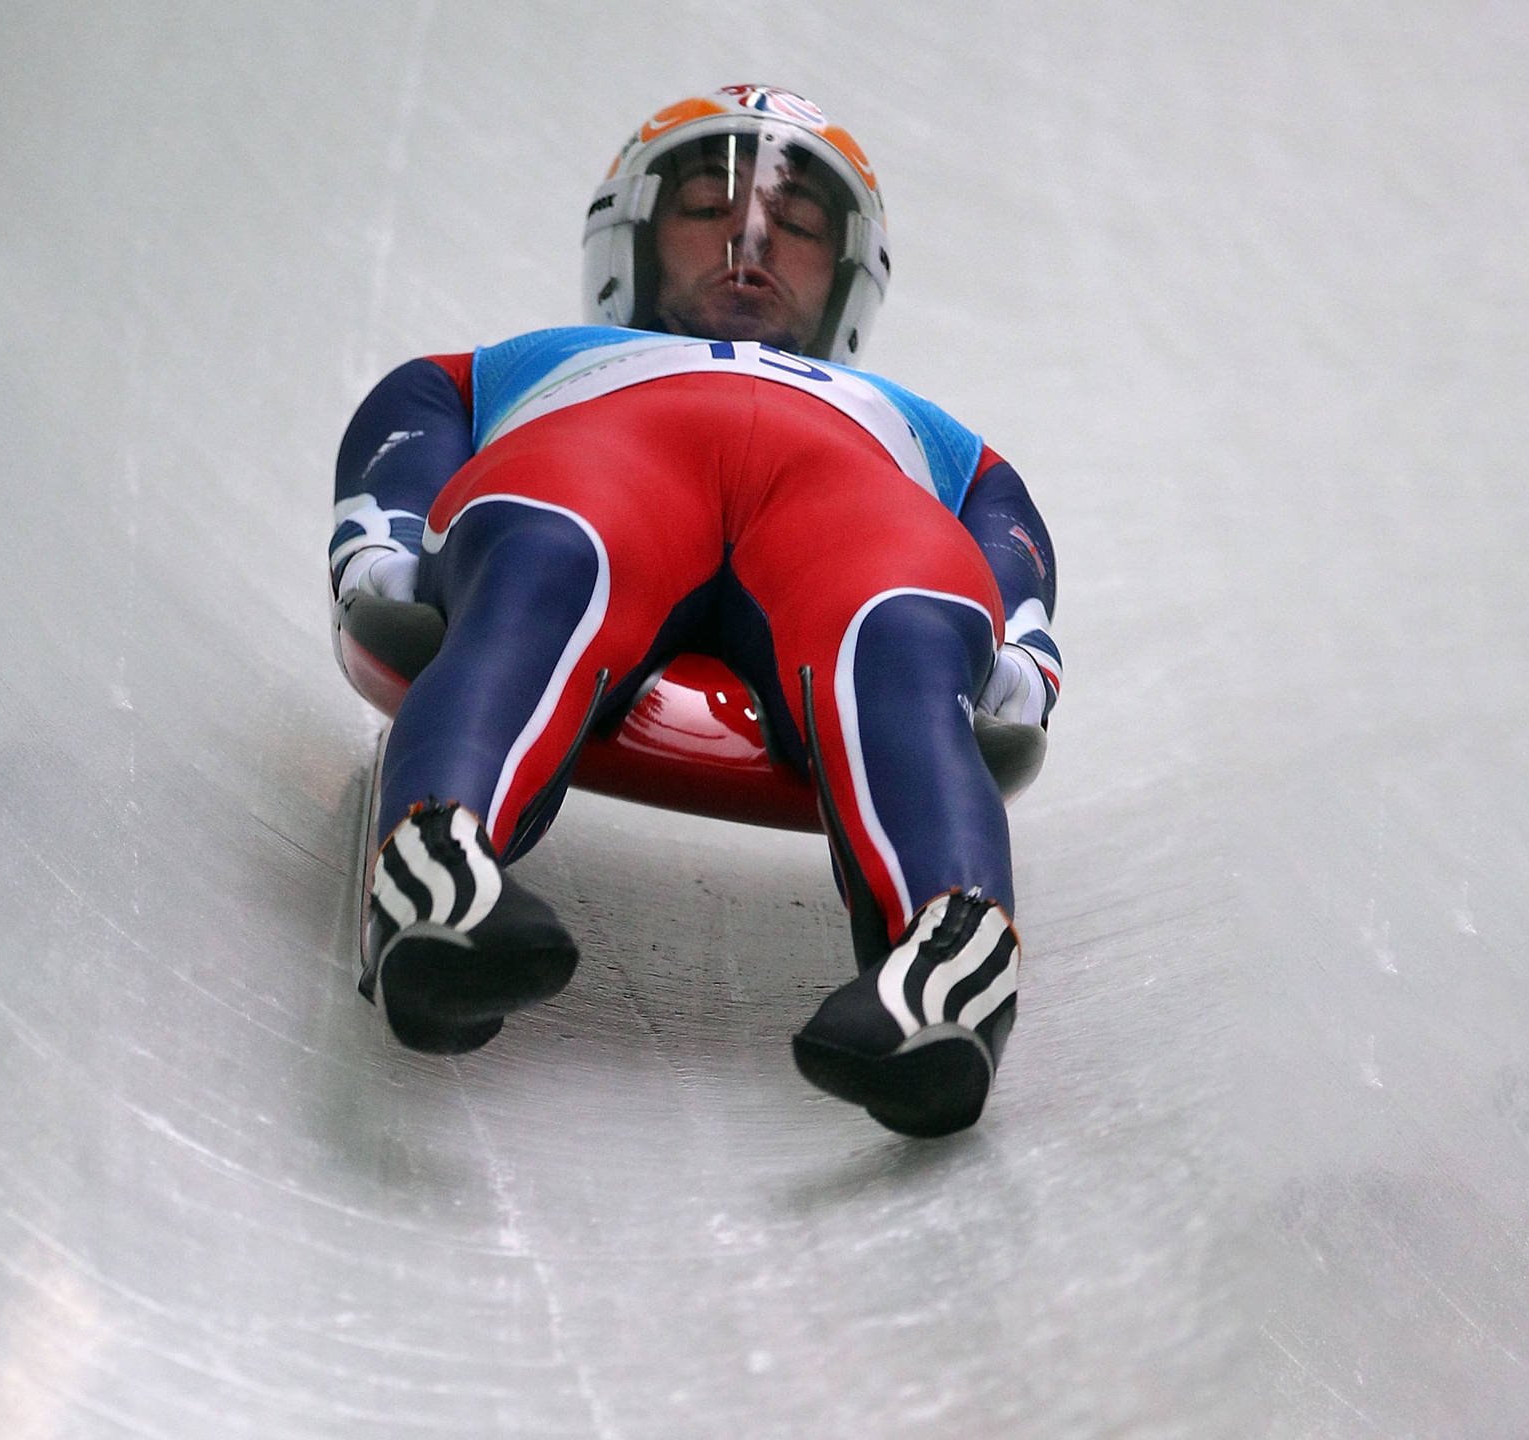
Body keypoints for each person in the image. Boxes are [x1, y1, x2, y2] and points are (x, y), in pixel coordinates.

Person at [329, 85, 1061, 1137]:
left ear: (848, 277)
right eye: (707, 208)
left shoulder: (916, 427)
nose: (752, 238)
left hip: (843, 489)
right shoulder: (541, 363)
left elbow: (1004, 517)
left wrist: (1023, 644)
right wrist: (385, 534)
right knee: (546, 553)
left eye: (801, 226)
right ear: (631, 234)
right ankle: (440, 867)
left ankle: (950, 962)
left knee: (900, 626)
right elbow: (418, 403)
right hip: (614, 446)